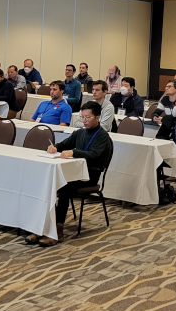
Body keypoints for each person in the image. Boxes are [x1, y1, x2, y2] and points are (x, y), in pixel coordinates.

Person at [28, 101, 113, 247]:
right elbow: (64, 144)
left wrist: (74, 152)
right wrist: (54, 147)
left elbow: (94, 155)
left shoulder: (103, 136)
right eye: (82, 117)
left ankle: (57, 229)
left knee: (63, 186)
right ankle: (42, 225)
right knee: (48, 182)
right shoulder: (79, 132)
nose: (84, 120)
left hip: (89, 176)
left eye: (88, 117)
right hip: (74, 173)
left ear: (97, 117)